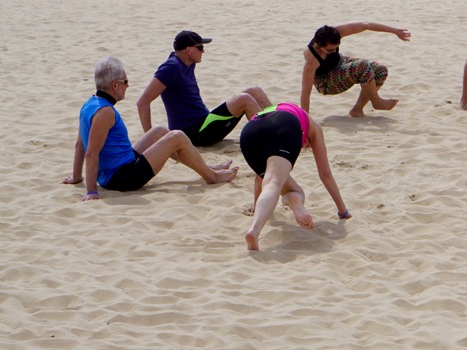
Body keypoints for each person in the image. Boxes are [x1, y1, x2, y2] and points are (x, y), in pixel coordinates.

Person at [64, 57, 239, 200]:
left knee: (161, 131)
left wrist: (76, 177)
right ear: (114, 85)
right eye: (125, 82)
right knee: (177, 136)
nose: (127, 86)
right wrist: (91, 192)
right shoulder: (105, 112)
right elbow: (91, 152)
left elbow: (80, 144)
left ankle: (205, 167)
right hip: (123, 177)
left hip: (122, 164)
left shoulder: (89, 104)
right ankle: (211, 176)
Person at [241, 102, 350, 251]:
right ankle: (254, 230)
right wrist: (343, 212)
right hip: (285, 124)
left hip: (249, 131)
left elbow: (259, 177)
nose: (305, 146)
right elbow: (325, 174)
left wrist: (256, 206)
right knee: (274, 182)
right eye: (308, 145)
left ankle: (293, 198)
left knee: (272, 180)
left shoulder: (284, 108)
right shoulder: (314, 127)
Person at [137, 30, 271, 146]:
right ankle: (270, 138)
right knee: (245, 99)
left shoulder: (187, 63)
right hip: (192, 133)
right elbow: (142, 102)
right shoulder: (171, 68)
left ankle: (279, 126)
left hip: (204, 123)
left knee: (254, 91)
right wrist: (150, 137)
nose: (203, 51)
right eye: (200, 47)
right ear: (188, 50)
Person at [301, 22, 411, 117]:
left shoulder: (333, 32)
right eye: (330, 50)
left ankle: (357, 109)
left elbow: (365, 25)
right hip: (326, 83)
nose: (334, 51)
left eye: (336, 48)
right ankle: (376, 101)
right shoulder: (312, 60)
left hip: (340, 63)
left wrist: (394, 31)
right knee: (362, 66)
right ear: (319, 47)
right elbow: (306, 93)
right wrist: (306, 122)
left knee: (380, 70)